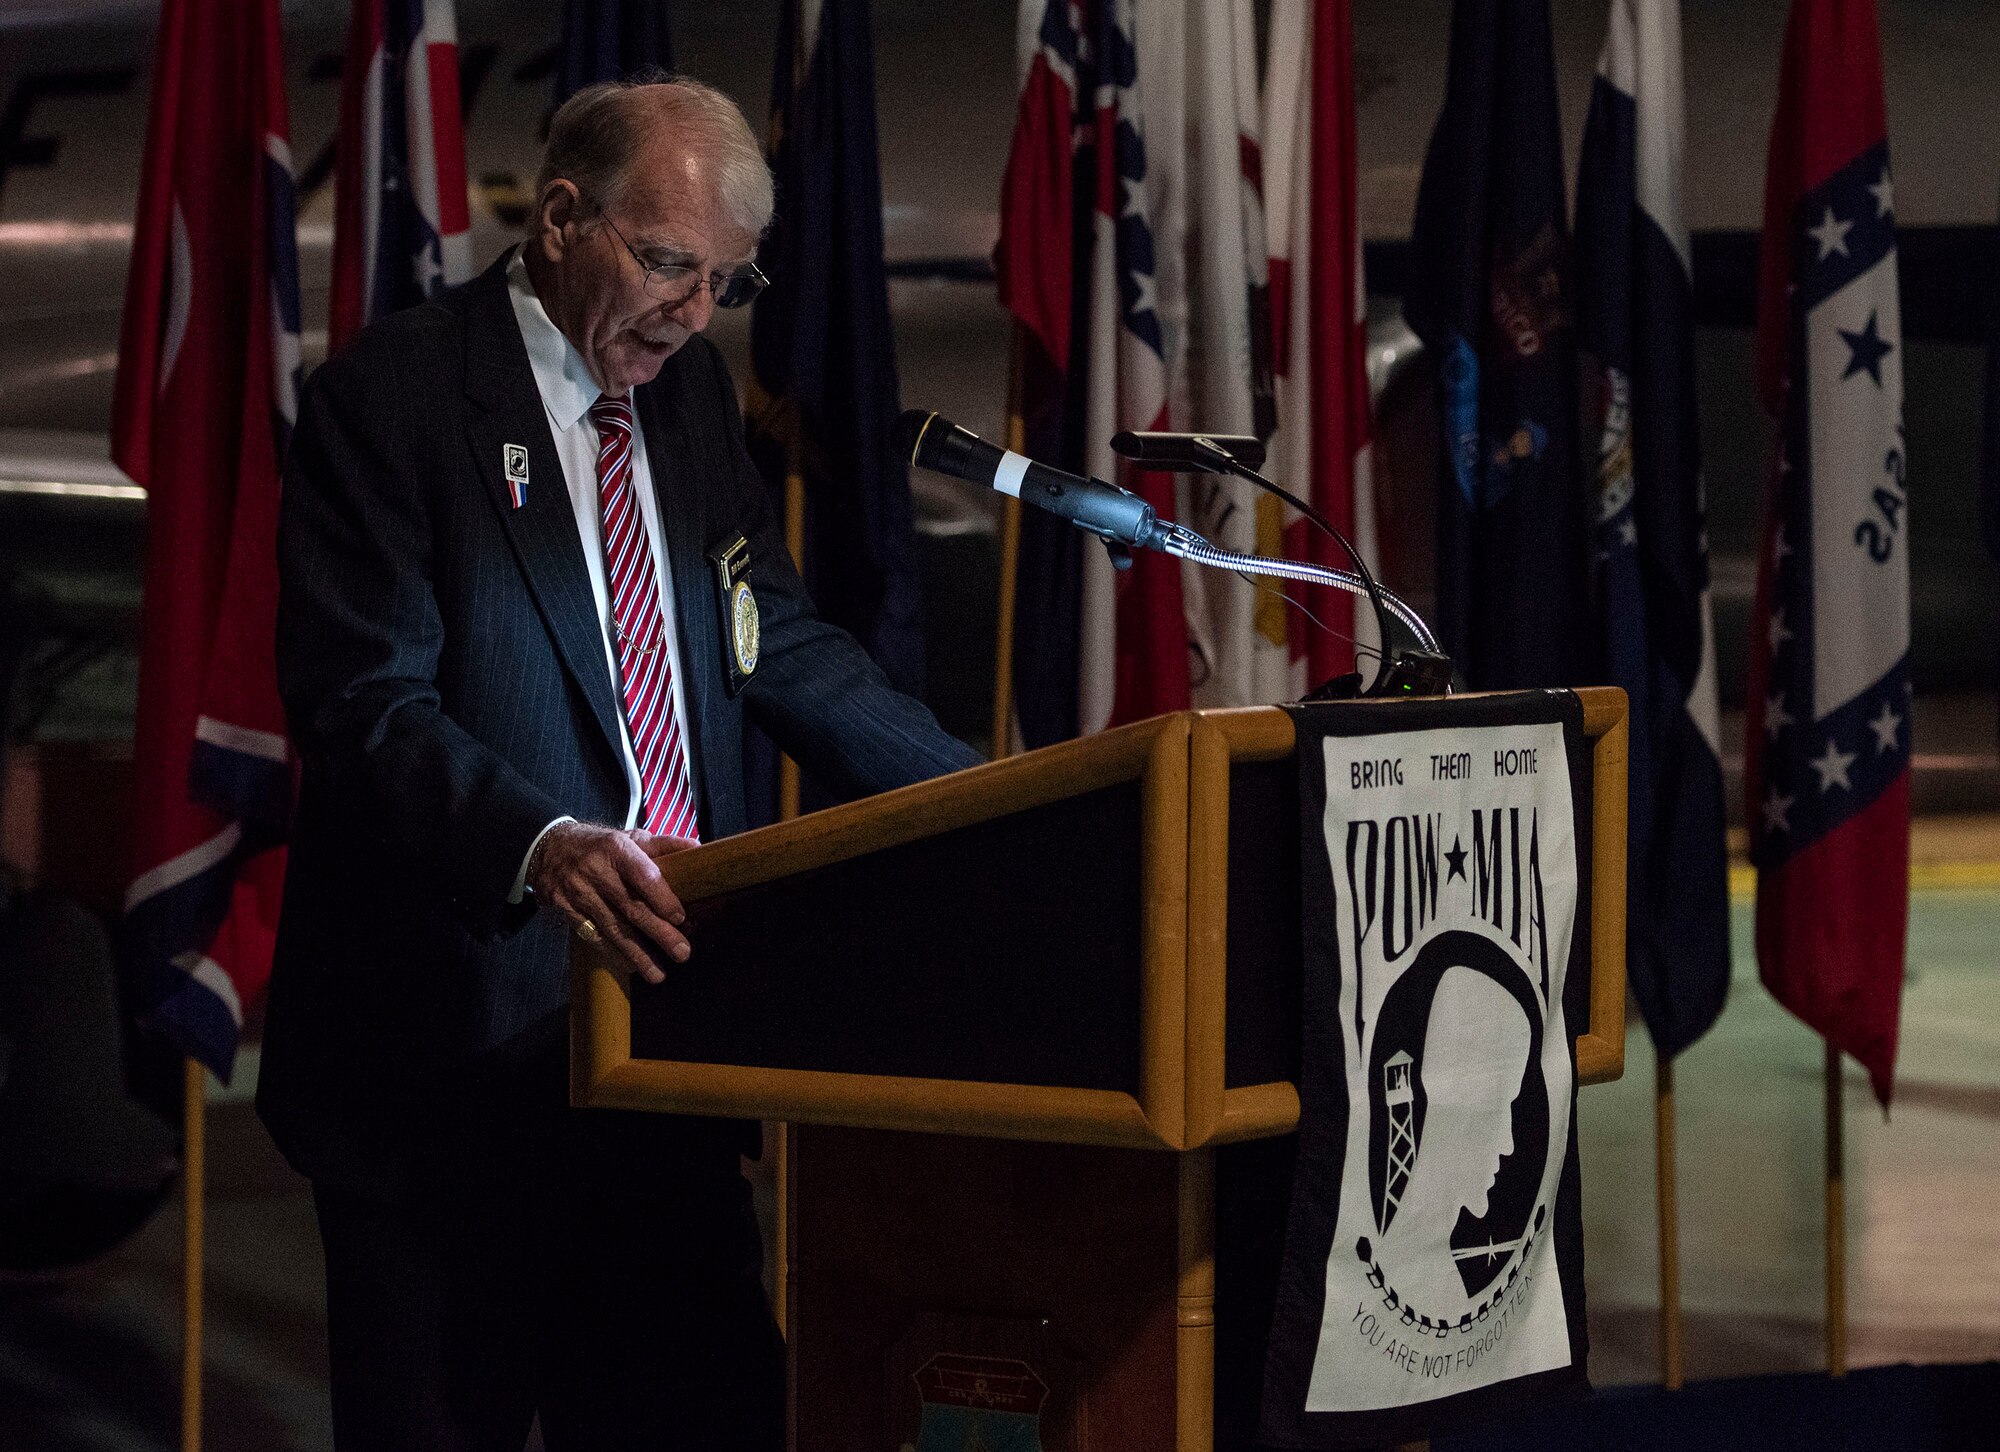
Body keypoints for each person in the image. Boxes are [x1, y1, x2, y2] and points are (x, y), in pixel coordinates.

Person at [258, 76, 981, 1450]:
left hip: (661, 1052)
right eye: (666, 264)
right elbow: (367, 706)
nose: (695, 312)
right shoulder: (394, 398)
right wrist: (543, 843)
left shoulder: (688, 392)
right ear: (563, 216)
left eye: (725, 278)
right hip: (450, 1075)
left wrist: (976, 800)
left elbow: (777, 644)